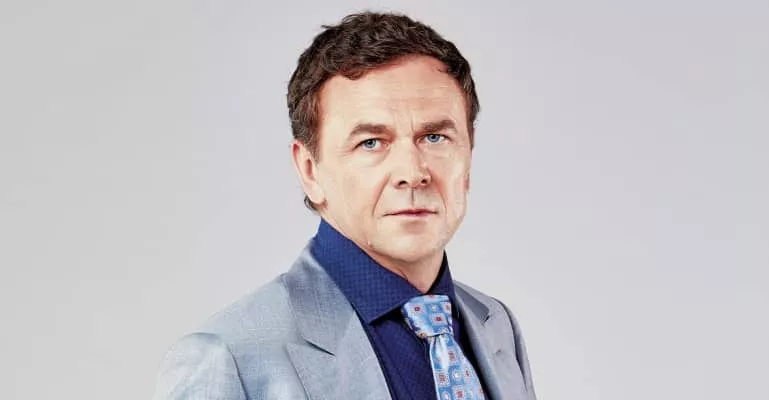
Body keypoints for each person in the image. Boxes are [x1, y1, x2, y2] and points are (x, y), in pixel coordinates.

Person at [152, 11, 536, 400]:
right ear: (309, 170)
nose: (412, 173)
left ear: (468, 156)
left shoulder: (496, 326)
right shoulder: (229, 357)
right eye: (371, 142)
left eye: (435, 137)